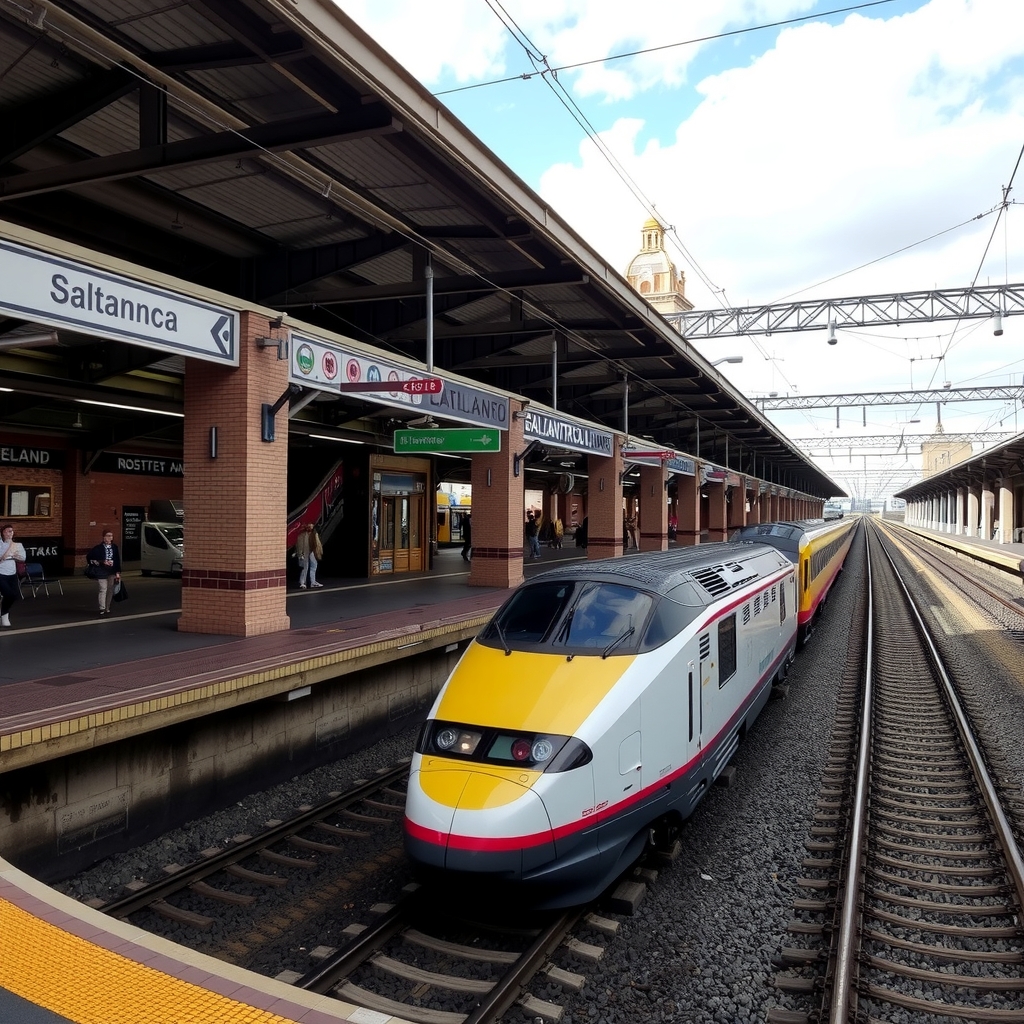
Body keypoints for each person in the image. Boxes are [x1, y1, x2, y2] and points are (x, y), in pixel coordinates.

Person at [86, 529, 121, 617]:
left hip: (112, 570)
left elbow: (117, 560)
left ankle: (107, 607)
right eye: (108, 536)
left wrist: (118, 572)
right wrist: (102, 562)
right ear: (104, 537)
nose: (110, 538)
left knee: (110, 589)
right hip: (101, 571)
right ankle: (102, 608)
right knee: (103, 588)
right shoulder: (98, 548)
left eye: (111, 536)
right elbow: (89, 558)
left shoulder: (115, 547)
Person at [0, 523, 26, 628]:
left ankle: (4, 613)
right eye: (8, 531)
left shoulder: (18, 545)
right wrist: (11, 555)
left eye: (12, 531)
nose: (10, 533)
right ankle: (4, 615)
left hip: (12, 573)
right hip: (1, 573)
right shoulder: (1, 544)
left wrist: (13, 556)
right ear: (3, 533)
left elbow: (22, 558)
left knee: (14, 595)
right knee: (8, 594)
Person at [296, 523, 324, 589]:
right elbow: (299, 546)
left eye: (311, 525)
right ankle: (302, 582)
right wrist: (300, 554)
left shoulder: (314, 534)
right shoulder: (302, 535)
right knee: (305, 567)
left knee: (314, 566)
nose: (310, 527)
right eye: (309, 525)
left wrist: (318, 552)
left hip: (312, 552)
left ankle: (313, 582)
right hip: (305, 552)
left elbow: (317, 544)